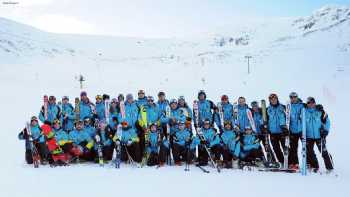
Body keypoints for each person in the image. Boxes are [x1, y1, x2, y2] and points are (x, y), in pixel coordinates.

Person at [305, 97, 333, 172]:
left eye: (312, 102)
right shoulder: (304, 111)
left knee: (323, 151)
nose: (311, 104)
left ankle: (330, 167)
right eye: (309, 103)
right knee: (309, 152)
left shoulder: (320, 111)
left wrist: (326, 131)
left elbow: (327, 122)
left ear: (315, 103)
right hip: (309, 136)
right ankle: (314, 166)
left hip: (319, 136)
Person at [267, 93, 288, 164]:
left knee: (286, 148)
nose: (273, 100)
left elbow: (289, 118)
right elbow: (265, 120)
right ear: (270, 100)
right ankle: (281, 162)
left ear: (277, 99)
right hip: (273, 133)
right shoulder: (268, 109)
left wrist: (286, 128)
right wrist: (266, 128)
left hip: (282, 132)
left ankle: (289, 162)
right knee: (276, 149)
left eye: (274, 99)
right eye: (271, 99)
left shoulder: (283, 107)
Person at [288, 92, 304, 170]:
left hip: (301, 130)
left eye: (294, 97)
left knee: (306, 147)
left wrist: (318, 107)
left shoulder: (302, 105)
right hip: (292, 130)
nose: (293, 98)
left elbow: (311, 107)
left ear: (297, 97)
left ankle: (309, 163)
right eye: (291, 97)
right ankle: (294, 163)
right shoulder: (288, 106)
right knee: (293, 148)